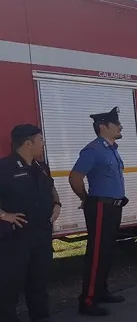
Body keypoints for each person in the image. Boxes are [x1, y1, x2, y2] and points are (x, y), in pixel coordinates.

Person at [69, 107, 128, 317]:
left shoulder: (111, 148)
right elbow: (75, 177)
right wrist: (86, 199)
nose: (120, 126)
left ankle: (101, 291)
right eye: (116, 123)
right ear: (103, 126)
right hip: (101, 206)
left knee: (107, 252)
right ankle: (87, 300)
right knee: (96, 254)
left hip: (113, 207)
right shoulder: (93, 150)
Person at [0, 124, 62, 322]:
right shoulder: (4, 167)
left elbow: (51, 187)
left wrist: (57, 203)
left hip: (42, 235)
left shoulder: (41, 167)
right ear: (28, 143)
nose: (43, 144)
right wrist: (3, 215)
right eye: (40, 140)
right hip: (16, 238)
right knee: (9, 286)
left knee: (39, 284)